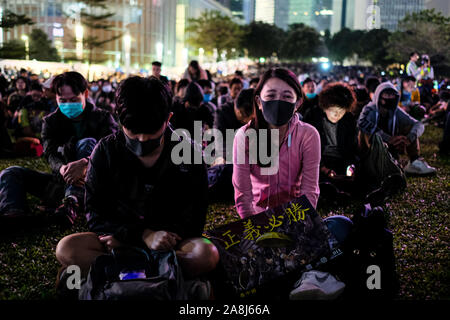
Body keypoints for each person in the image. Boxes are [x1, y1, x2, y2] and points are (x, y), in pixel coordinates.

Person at [55, 76, 218, 283]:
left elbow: (195, 219)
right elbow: (95, 213)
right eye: (133, 132)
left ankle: (121, 273)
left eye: (151, 133)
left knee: (206, 253)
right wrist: (141, 235)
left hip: (168, 246)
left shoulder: (188, 153)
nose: (141, 140)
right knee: (67, 249)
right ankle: (162, 275)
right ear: (121, 121)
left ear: (168, 119)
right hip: (119, 241)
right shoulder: (105, 151)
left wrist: (161, 237)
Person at [0, 71, 118, 229]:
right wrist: (62, 168)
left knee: (87, 143)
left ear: (86, 94)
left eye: (74, 100)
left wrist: (86, 164)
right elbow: (49, 154)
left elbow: (113, 152)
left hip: (94, 185)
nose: (68, 104)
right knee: (10, 173)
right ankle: (14, 215)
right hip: (60, 181)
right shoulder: (51, 121)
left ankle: (72, 202)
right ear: (56, 97)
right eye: (63, 100)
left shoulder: (103, 118)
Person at [232, 68, 321, 218]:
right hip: (258, 218)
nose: (278, 102)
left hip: (295, 217)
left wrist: (299, 224)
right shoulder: (245, 137)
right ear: (259, 102)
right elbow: (243, 195)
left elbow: (310, 191)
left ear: (297, 103)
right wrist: (253, 227)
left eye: (287, 96)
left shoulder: (308, 135)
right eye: (271, 95)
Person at [358, 81, 436, 176]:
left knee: (409, 127)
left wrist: (408, 138)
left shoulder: (395, 110)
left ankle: (414, 161)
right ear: (379, 96)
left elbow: (417, 124)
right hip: (371, 149)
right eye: (387, 94)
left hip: (390, 147)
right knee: (366, 131)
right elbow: (362, 124)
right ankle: (370, 164)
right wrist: (389, 138)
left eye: (392, 95)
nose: (390, 98)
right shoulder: (369, 109)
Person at [302, 83, 359, 203]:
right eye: (333, 110)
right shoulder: (313, 117)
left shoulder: (348, 120)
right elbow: (306, 150)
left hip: (341, 160)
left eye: (341, 111)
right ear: (324, 107)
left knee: (356, 177)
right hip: (318, 162)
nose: (337, 114)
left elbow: (352, 149)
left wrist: (351, 166)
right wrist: (323, 168)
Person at [213, 88, 255, 165]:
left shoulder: (258, 113)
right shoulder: (222, 113)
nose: (249, 122)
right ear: (239, 112)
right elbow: (220, 143)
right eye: (250, 118)